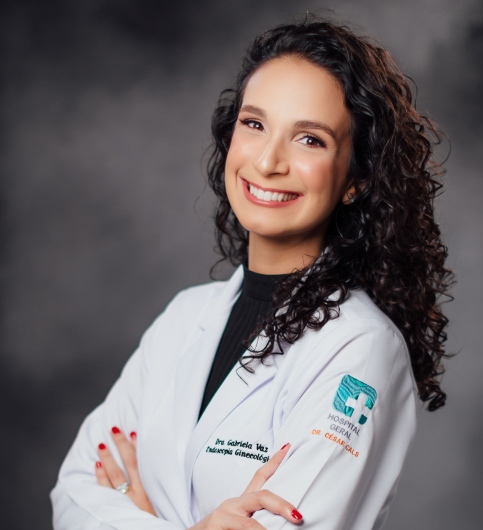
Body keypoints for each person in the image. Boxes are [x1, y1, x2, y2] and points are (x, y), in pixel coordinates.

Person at [51, 15, 453, 530]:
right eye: (255, 124)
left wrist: (136, 514)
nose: (267, 162)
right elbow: (72, 493)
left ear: (356, 179)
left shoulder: (359, 348)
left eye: (310, 139)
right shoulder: (184, 316)